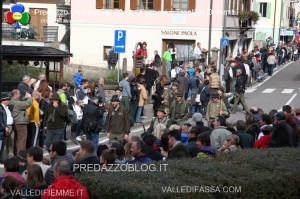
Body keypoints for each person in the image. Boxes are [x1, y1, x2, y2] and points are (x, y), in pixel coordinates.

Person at [9, 89, 32, 153]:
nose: (20, 95)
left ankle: (16, 153)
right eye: (19, 94)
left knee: (17, 139)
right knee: (22, 139)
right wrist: (30, 98)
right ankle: (21, 155)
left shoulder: (12, 101)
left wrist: (25, 98)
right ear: (16, 94)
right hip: (20, 122)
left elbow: (20, 102)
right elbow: (26, 104)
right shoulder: (15, 102)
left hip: (17, 122)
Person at [0, 94, 14, 163]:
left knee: (10, 143)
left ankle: (10, 157)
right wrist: (4, 127)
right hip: (5, 127)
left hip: (11, 126)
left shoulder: (8, 107)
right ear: (2, 101)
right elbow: (1, 120)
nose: (8, 101)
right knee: (3, 144)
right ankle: (1, 158)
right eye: (7, 100)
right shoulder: (0, 108)